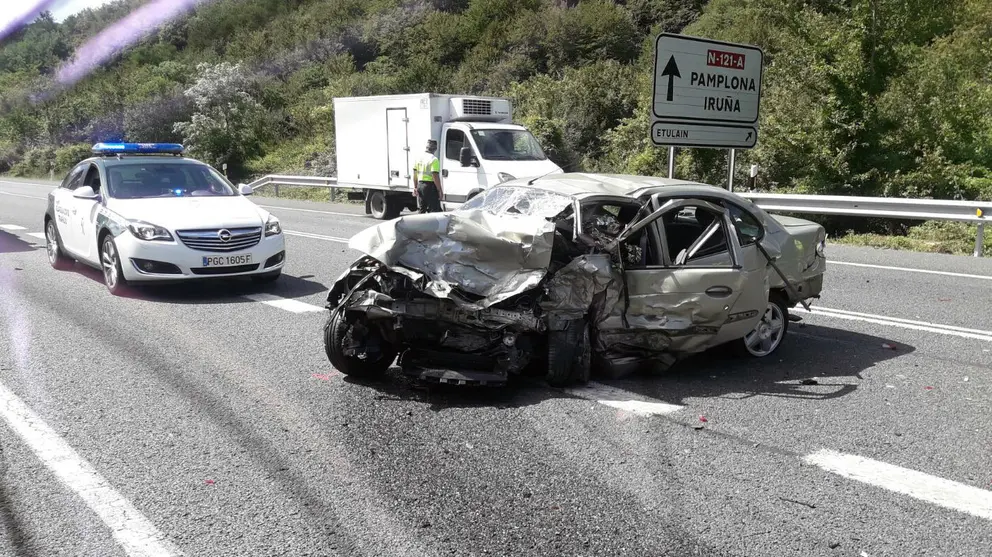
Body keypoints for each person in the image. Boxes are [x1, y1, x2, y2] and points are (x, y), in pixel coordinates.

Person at [412, 139, 443, 213]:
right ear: (435, 149)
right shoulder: (434, 159)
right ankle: (433, 224)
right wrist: (439, 190)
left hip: (420, 185)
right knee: (434, 210)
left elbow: (415, 174)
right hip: (430, 186)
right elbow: (435, 175)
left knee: (422, 209)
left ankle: (420, 224)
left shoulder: (418, 158)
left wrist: (415, 187)